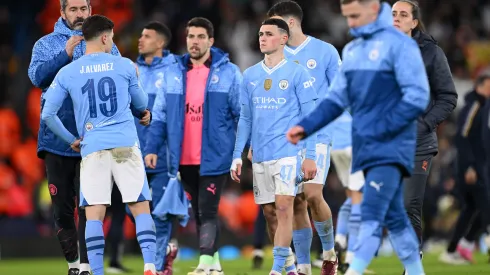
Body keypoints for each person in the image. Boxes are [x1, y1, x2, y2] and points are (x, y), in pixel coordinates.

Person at [286, 0, 430, 274]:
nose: (349, 23)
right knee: (396, 219)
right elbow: (336, 99)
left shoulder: (399, 45)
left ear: (374, 9)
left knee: (372, 215)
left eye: (355, 15)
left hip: (392, 144)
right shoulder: (353, 50)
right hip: (364, 145)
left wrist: (382, 126)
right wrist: (306, 127)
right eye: (346, 16)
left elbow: (417, 96)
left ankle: (354, 270)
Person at [40, 14, 157, 275]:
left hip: (92, 148)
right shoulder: (125, 65)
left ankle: (96, 270)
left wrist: (71, 140)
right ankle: (150, 265)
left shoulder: (67, 71)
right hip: (126, 144)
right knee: (139, 206)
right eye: (112, 37)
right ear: (105, 37)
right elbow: (141, 104)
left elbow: (47, 114)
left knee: (94, 212)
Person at [27, 1, 120, 274]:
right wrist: (64, 54)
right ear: (62, 13)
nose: (79, 15)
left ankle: (86, 266)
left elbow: (116, 80)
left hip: (93, 137)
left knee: (90, 205)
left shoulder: (105, 42)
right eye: (74, 9)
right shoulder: (45, 44)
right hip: (57, 138)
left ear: (90, 11)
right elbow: (37, 78)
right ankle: (73, 265)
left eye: (84, 9)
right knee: (62, 211)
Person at [146, 17, 242, 275]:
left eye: (201, 37)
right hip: (183, 157)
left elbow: (241, 114)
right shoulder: (173, 72)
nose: (195, 42)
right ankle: (215, 265)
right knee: (200, 212)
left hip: (215, 155)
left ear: (211, 41)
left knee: (208, 209)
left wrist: (238, 150)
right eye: (191, 37)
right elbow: (160, 114)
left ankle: (204, 264)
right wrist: (152, 148)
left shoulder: (229, 72)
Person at [231, 18, 318, 275]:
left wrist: (310, 155)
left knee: (283, 208)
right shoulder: (250, 75)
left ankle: (277, 269)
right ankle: (290, 267)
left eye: (268, 34)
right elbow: (245, 118)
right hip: (260, 155)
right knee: (269, 214)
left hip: (288, 154)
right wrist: (237, 154)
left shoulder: (298, 73)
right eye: (260, 34)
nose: (262, 38)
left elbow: (310, 118)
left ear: (283, 39)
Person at [265, 2, 339, 274]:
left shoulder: (325, 52)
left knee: (312, 195)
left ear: (291, 23)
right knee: (294, 201)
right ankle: (305, 266)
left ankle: (329, 251)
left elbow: (339, 93)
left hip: (316, 134)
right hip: (284, 140)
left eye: (275, 24)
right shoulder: (275, 56)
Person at [392, 0, 458, 258]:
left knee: (410, 203)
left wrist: (423, 124)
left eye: (403, 14)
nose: (396, 18)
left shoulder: (431, 53)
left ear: (414, 22)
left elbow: (448, 97)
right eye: (393, 14)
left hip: (417, 141)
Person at [135, 21, 180, 275]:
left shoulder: (175, 69)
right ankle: (163, 251)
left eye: (147, 36)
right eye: (141, 35)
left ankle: (159, 266)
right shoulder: (132, 70)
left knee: (161, 214)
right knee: (136, 212)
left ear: (160, 43)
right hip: (133, 153)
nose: (140, 40)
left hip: (164, 153)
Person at [438, 73, 490, 265]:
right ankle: (466, 244)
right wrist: (469, 166)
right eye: (488, 87)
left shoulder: (483, 107)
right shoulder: (474, 106)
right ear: (479, 86)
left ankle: (455, 249)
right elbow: (462, 136)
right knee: (485, 207)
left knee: (471, 209)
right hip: (471, 169)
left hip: (478, 167)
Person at [330, 112, 366, 273]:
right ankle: (351, 257)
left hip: (335, 147)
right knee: (359, 196)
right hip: (352, 146)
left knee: (351, 195)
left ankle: (340, 238)